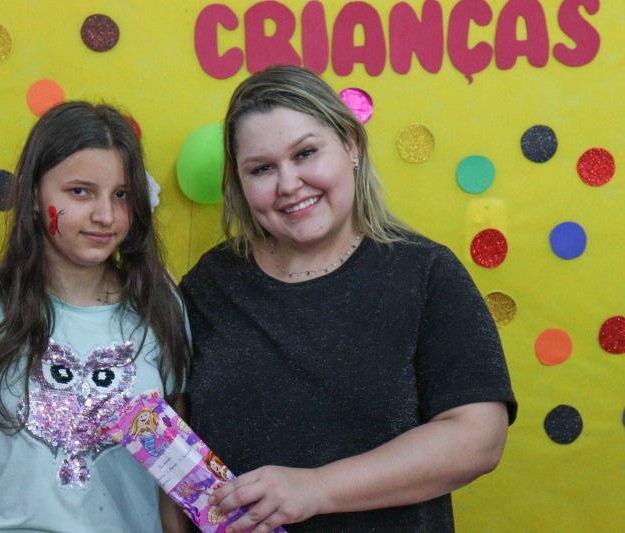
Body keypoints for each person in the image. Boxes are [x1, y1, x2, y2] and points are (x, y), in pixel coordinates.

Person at [178, 64, 517, 532]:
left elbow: (479, 438)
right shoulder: (210, 285)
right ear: (239, 182)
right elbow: (174, 442)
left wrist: (316, 488)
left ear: (351, 145)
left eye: (306, 153)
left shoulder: (424, 273)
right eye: (261, 169)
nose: (288, 184)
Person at [0, 101, 191, 532]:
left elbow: (175, 480)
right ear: (34, 196)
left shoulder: (160, 303)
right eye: (80, 192)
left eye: (121, 195)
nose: (105, 215)